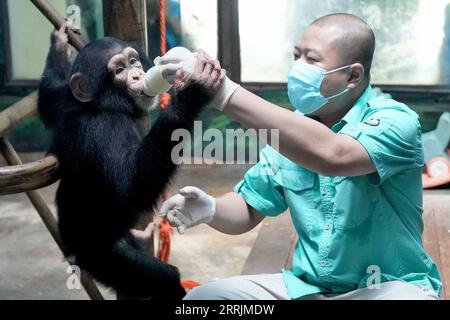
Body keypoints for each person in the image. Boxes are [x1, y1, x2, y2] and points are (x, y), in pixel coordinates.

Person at [159, 13, 442, 300]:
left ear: (353, 75)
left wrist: (222, 90)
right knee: (203, 300)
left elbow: (334, 155)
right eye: (296, 56)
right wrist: (211, 209)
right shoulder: (292, 136)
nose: (297, 68)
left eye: (311, 59)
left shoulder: (396, 121)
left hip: (385, 288)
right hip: (308, 291)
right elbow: (248, 208)